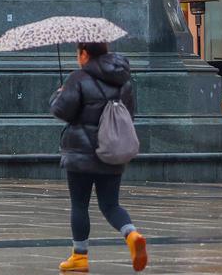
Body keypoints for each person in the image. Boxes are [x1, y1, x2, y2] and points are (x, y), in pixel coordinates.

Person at [50, 42, 149, 272]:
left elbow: (62, 111)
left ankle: (79, 256)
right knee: (111, 204)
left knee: (79, 204)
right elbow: (128, 115)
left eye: (78, 53)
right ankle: (132, 234)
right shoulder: (123, 80)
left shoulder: (78, 78)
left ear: (84, 54)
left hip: (81, 153)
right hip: (112, 150)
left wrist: (59, 94)